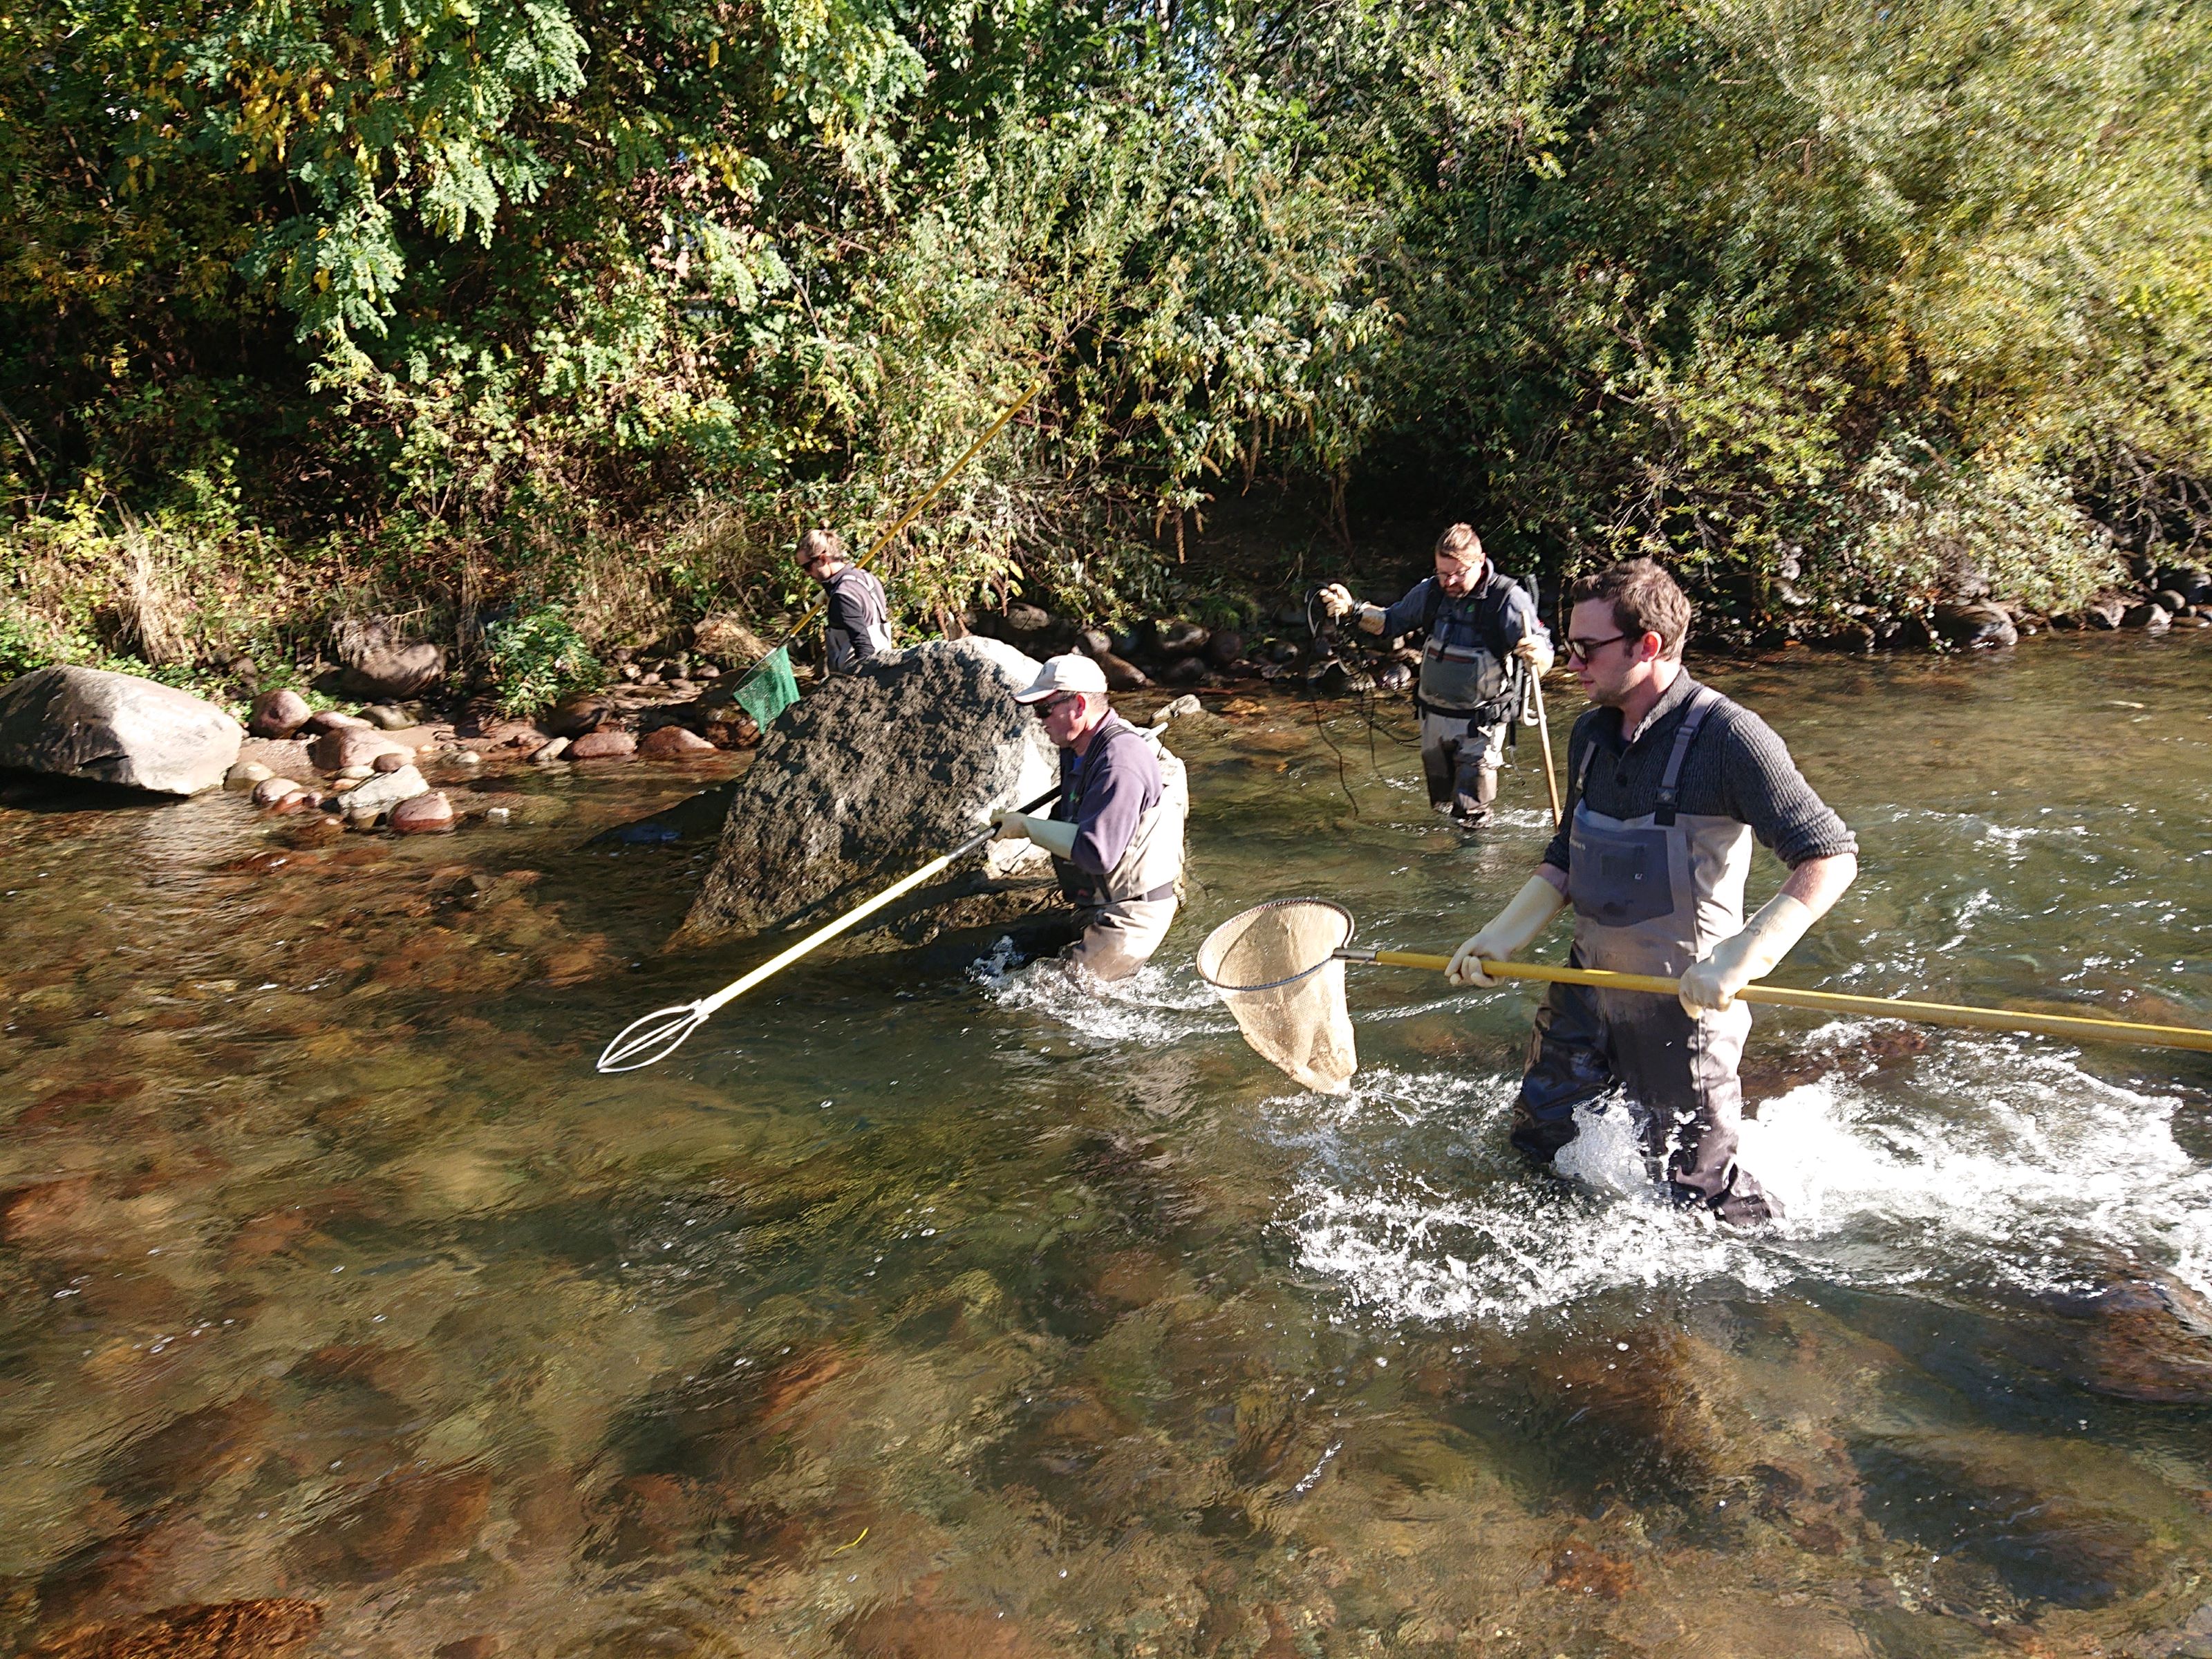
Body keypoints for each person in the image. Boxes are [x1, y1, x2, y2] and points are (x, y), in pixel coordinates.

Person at [1444, 558, 1857, 1225]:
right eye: (1568, 645)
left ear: (1648, 646)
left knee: (1700, 1199)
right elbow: (1567, 855)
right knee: (1539, 1145)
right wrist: (1502, 936)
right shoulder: (1591, 734)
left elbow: (1830, 858)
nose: (1570, 663)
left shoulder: (1731, 739)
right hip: (1587, 987)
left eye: (1587, 648)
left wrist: (1742, 958)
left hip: (1687, 1003)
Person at [1318, 523, 1555, 827]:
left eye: (1458, 573)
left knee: (1471, 816)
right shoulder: (1431, 592)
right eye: (1443, 573)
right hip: (1434, 720)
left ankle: (1473, 855)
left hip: (1480, 726)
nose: (1449, 581)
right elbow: (1390, 621)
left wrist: (1540, 655)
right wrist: (1353, 610)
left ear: (1481, 561)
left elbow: (1543, 653)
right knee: (1442, 808)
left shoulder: (1507, 599)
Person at [993, 655, 1188, 981]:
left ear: (1080, 705)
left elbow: (1098, 853)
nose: (1039, 720)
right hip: (1098, 904)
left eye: (1044, 709)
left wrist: (1026, 827)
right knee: (1001, 955)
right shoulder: (1077, 747)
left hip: (1131, 916)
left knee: (1041, 995)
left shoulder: (1120, 762)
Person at [798, 529, 893, 672]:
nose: (806, 574)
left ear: (823, 559)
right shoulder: (866, 577)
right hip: (886, 662)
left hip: (859, 671)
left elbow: (865, 649)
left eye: (807, 567)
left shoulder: (842, 596)